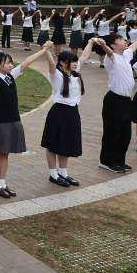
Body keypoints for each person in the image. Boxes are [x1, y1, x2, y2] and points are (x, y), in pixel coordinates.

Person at [0, 43, 50, 198]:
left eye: (11, 62)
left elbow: (26, 63)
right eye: (7, 63)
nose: (11, 65)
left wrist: (43, 51)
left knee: (5, 154)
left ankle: (2, 182)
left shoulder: (10, 76)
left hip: (13, 120)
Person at [40, 40, 95, 187]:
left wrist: (91, 42)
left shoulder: (76, 74)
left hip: (72, 112)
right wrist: (46, 49)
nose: (76, 63)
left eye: (76, 61)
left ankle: (63, 173)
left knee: (66, 144)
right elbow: (52, 64)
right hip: (59, 113)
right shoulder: (56, 75)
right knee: (53, 144)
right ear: (63, 63)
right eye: (72, 61)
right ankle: (53, 174)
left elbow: (84, 56)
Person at [94, 34, 137, 173]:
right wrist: (103, 45)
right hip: (114, 100)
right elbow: (109, 52)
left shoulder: (125, 55)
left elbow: (132, 48)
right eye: (121, 40)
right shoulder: (111, 58)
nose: (125, 41)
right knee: (112, 132)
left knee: (125, 134)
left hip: (127, 100)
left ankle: (119, 161)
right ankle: (106, 161)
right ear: (113, 45)